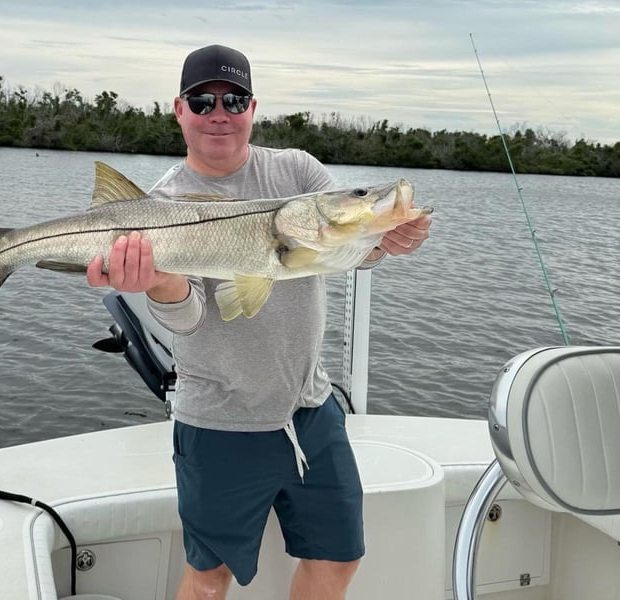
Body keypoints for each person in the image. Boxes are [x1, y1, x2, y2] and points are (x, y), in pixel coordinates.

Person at [87, 44, 432, 600]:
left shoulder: (296, 171)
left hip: (312, 412)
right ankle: (3, 252)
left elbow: (341, 245)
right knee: (209, 579)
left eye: (234, 98)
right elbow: (191, 318)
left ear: (252, 107)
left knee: (338, 557)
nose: (219, 111)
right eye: (203, 101)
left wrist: (387, 240)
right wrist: (159, 282)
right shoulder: (159, 205)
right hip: (219, 420)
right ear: (179, 110)